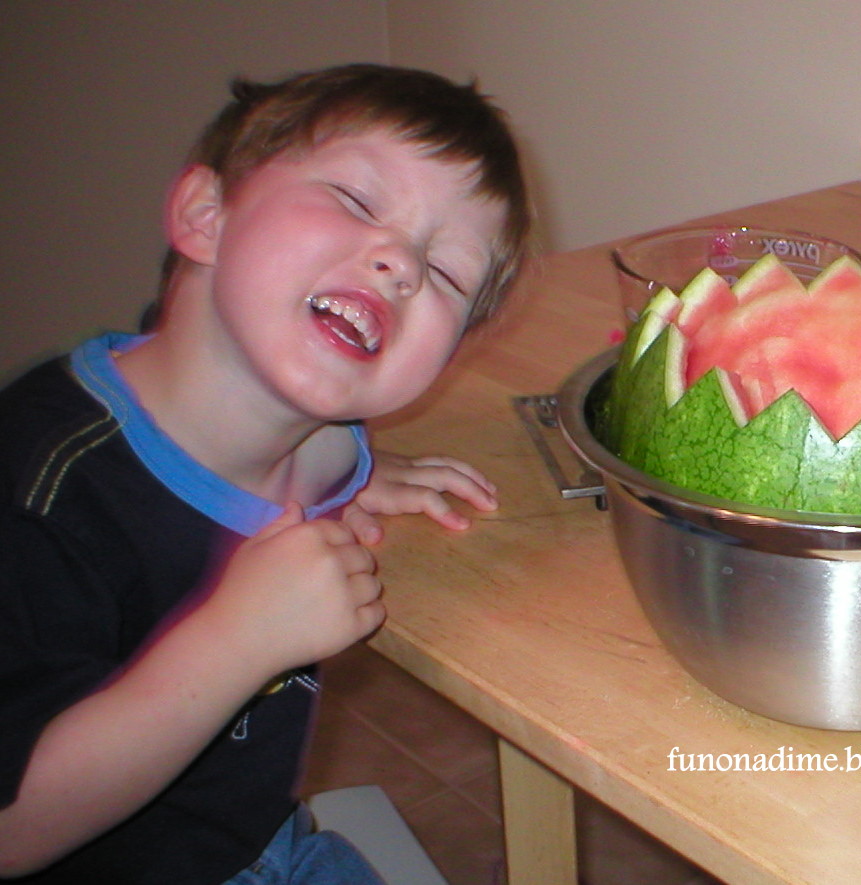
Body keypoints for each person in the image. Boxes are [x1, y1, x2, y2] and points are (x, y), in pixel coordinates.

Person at [0, 63, 531, 883]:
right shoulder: (42, 491)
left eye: (449, 273)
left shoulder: (304, 441)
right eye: (357, 200)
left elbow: (296, 416)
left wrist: (354, 464)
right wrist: (236, 641)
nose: (402, 263)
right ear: (206, 216)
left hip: (259, 846)